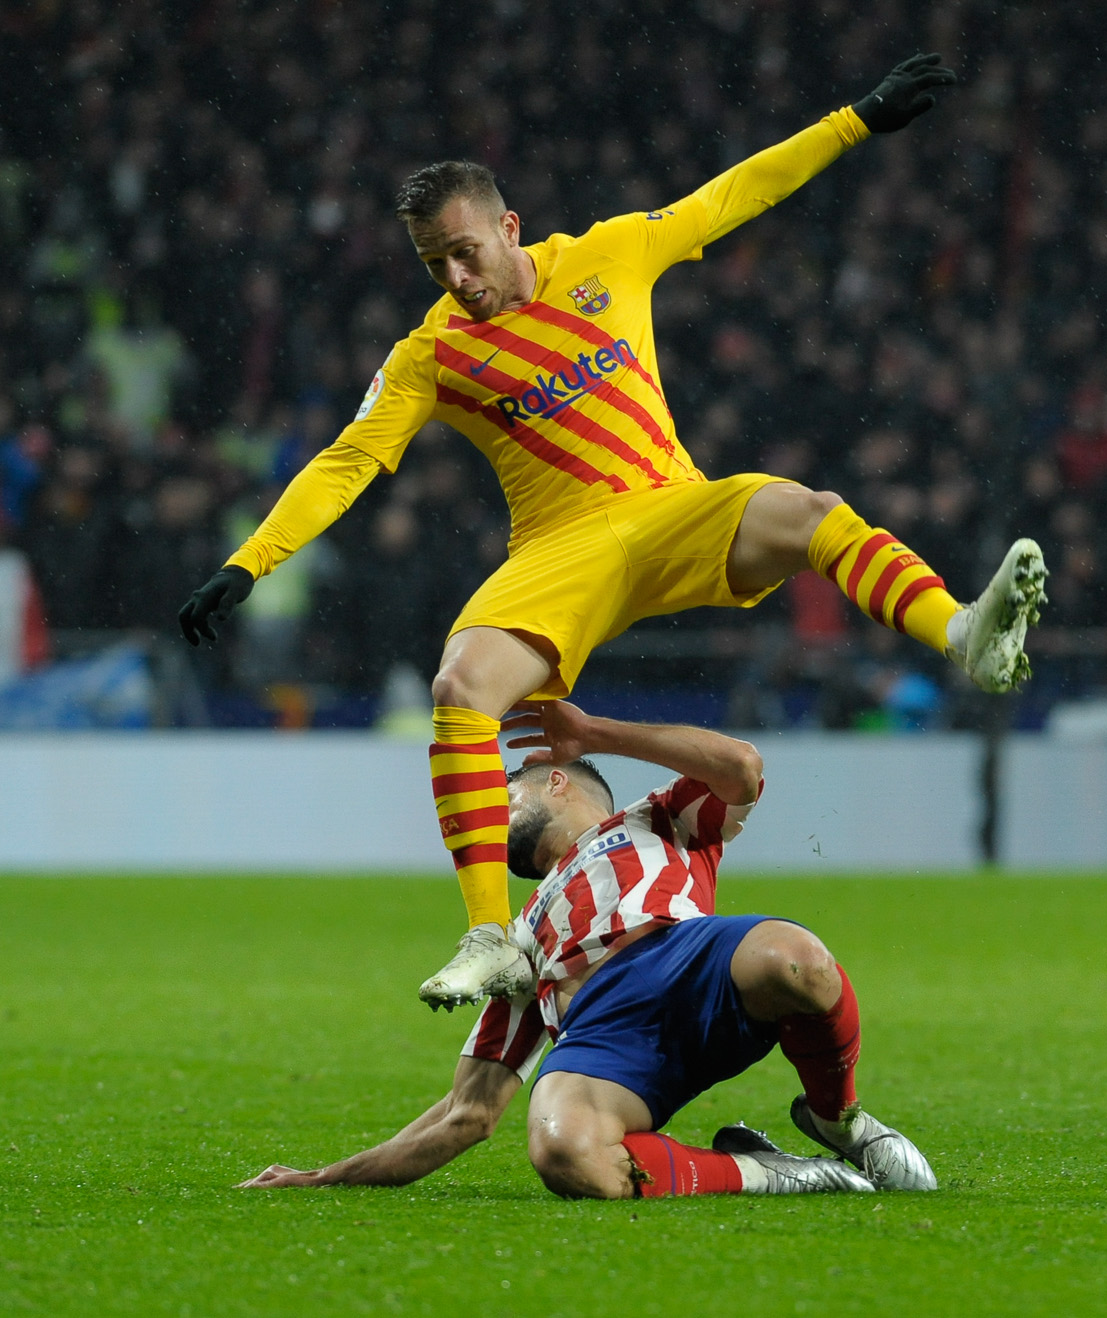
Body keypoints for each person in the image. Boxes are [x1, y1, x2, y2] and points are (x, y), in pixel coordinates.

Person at [176, 53, 1048, 1009]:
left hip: (671, 511)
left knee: (811, 514)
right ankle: (490, 936)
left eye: (468, 251)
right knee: (461, 686)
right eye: (435, 264)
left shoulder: (611, 252)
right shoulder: (429, 354)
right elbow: (347, 462)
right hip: (560, 552)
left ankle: (961, 634)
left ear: (510, 226)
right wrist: (247, 563)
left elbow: (734, 193)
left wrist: (857, 121)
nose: (457, 278)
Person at [239, 701, 935, 1199]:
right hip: (607, 1037)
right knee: (563, 1150)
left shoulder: (658, 819)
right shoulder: (515, 943)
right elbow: (468, 1114)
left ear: (557, 779)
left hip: (686, 962)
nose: (488, 818)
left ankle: (835, 1118)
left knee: (800, 960)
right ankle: (769, 1174)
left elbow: (743, 768)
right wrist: (326, 1176)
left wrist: (593, 730)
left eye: (502, 796)